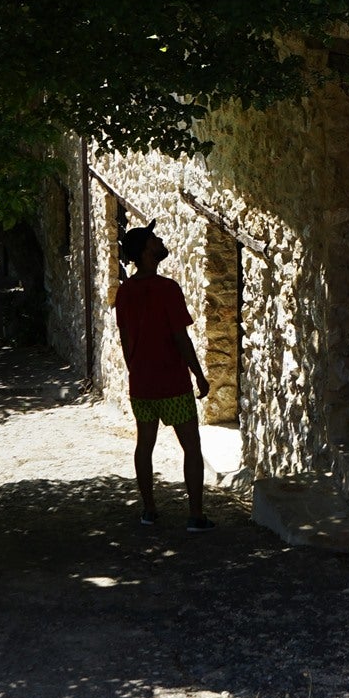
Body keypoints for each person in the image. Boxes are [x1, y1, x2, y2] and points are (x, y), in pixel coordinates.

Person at [113, 224, 213, 530]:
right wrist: (198, 374)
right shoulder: (167, 289)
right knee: (191, 448)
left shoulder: (125, 292)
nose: (160, 241)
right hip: (172, 383)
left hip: (141, 384)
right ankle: (195, 515)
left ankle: (149, 510)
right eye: (155, 240)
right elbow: (180, 337)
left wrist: (136, 370)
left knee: (145, 445)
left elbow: (126, 338)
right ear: (146, 250)